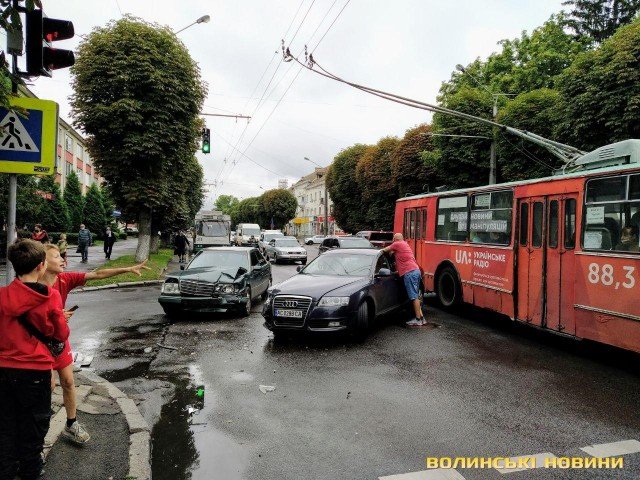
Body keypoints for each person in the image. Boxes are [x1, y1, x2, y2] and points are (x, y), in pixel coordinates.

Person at [41, 244, 150, 445]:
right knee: (48, 385)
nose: (63, 260)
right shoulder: (33, 284)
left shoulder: (65, 279)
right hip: (40, 342)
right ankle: (38, 429)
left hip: (60, 340)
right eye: (57, 257)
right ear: (43, 263)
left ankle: (71, 424)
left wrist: (127, 269)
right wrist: (55, 316)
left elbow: (98, 274)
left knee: (68, 382)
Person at [0, 239, 69, 480]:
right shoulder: (50, 296)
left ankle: (6, 471)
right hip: (35, 371)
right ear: (41, 266)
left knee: (5, 424)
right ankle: (30, 471)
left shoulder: (2, 296)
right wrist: (60, 319)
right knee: (34, 425)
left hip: (3, 369)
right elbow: (61, 334)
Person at [382, 233, 426, 327]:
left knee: (413, 296)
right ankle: (422, 318)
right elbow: (399, 257)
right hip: (415, 270)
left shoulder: (397, 244)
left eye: (393, 239)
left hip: (410, 272)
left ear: (395, 239)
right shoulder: (405, 244)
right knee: (415, 295)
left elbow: (384, 250)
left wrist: (381, 251)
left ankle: (418, 320)